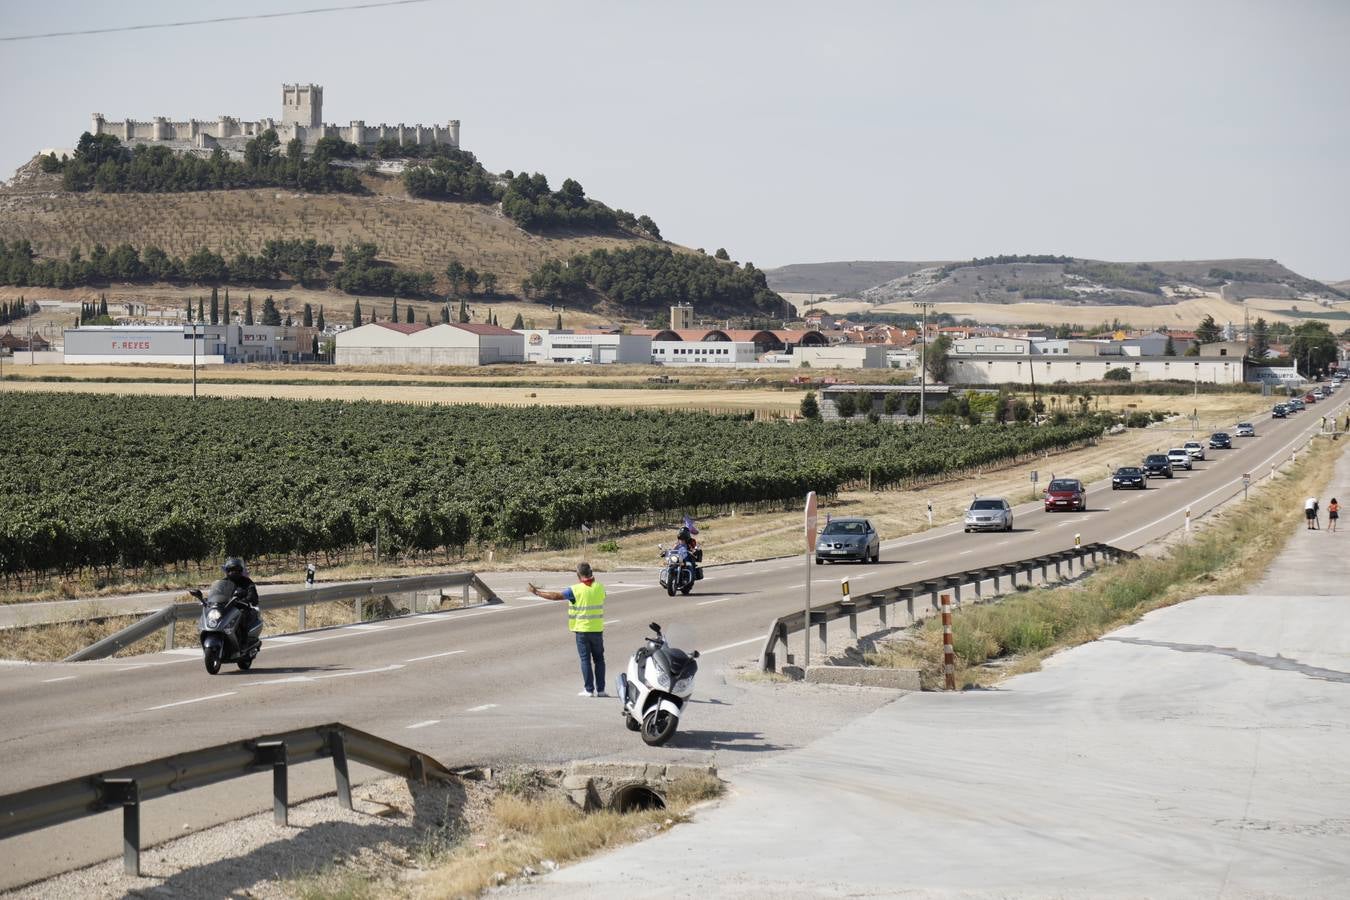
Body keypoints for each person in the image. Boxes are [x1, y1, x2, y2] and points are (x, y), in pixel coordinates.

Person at [529, 562, 607, 698]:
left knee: (585, 660)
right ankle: (601, 690)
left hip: (582, 631)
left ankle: (589, 690)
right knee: (599, 660)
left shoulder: (575, 590)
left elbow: (555, 596)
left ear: (578, 574)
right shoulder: (600, 587)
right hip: (597, 630)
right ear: (591, 572)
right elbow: (599, 595)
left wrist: (537, 592)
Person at [222, 556, 262, 636]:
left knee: (242, 616)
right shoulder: (223, 582)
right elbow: (216, 593)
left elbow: (253, 596)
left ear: (240, 571)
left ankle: (243, 638)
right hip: (226, 609)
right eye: (231, 570)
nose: (233, 572)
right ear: (227, 571)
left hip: (241, 608)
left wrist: (245, 600)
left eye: (236, 570)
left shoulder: (247, 582)